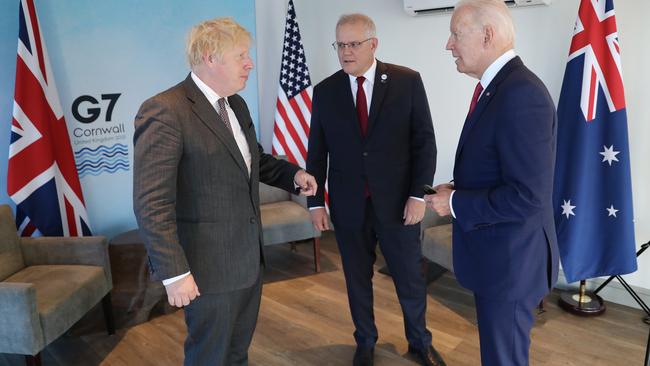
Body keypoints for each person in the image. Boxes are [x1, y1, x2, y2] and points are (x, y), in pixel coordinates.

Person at [132, 17, 317, 366]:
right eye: (241, 55)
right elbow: (151, 203)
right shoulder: (165, 111)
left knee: (236, 353)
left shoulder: (235, 104)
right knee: (209, 357)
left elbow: (253, 159)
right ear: (210, 57)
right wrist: (175, 273)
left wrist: (294, 176)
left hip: (248, 261)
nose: (249, 63)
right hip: (207, 270)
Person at [307, 13, 444, 366]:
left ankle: (420, 341)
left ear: (373, 44)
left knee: (410, 279)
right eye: (340, 45)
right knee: (356, 279)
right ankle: (365, 341)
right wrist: (314, 203)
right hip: (349, 205)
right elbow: (316, 151)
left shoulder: (406, 81)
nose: (346, 52)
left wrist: (418, 195)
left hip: (399, 204)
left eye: (354, 44)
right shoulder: (325, 91)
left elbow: (424, 144)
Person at [426, 1, 559, 365]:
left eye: (455, 33)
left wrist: (454, 204)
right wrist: (456, 188)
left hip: (511, 263)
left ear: (487, 35)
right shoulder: (499, 88)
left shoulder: (521, 94)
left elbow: (527, 196)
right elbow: (499, 166)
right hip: (499, 257)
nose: (448, 45)